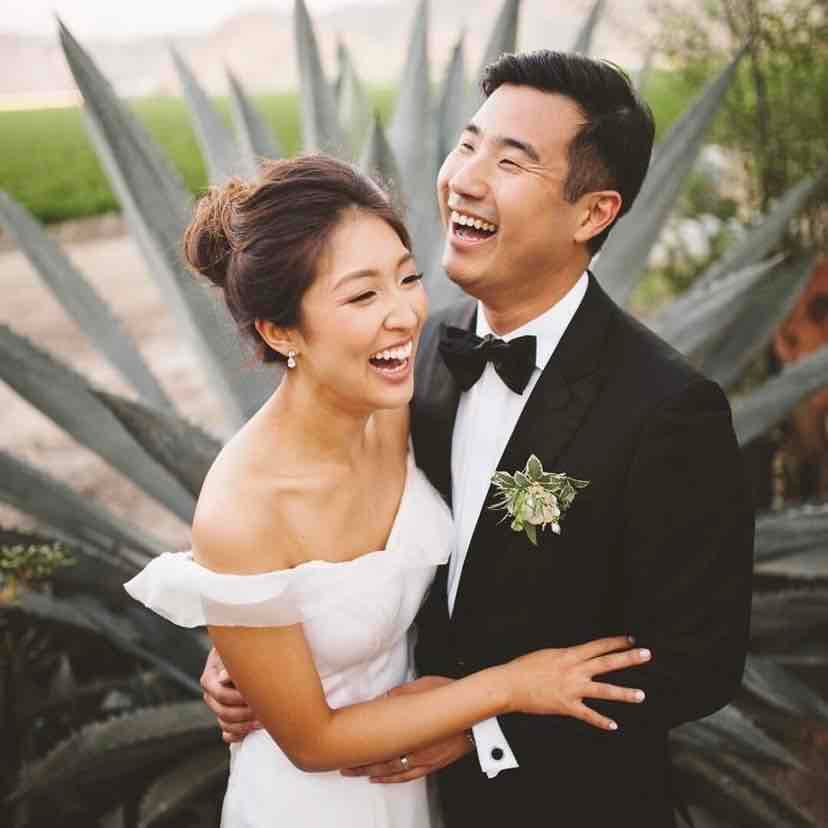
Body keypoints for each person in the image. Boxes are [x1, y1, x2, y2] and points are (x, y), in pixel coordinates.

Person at [202, 51, 755, 826]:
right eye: (468, 143)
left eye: (511, 161)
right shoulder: (417, 352)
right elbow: (331, 521)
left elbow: (698, 665)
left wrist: (482, 725)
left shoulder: (667, 409)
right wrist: (257, 645)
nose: (465, 177)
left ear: (593, 213)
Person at [125, 153, 653, 827]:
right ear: (281, 330)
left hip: (415, 782)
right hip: (314, 802)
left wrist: (248, 645)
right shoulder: (244, 508)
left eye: (407, 278)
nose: (404, 315)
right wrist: (512, 687)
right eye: (361, 295)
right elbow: (313, 742)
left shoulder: (399, 400)